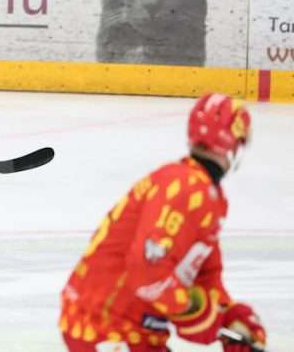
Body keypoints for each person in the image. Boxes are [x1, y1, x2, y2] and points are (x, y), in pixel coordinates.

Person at [60, 93, 268, 351]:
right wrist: (202, 315)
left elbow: (203, 274)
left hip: (131, 328)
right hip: (106, 326)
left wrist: (228, 316)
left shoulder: (203, 193)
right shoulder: (186, 187)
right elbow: (147, 271)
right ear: (234, 143)